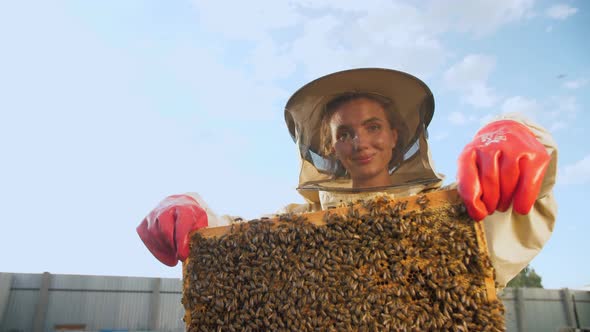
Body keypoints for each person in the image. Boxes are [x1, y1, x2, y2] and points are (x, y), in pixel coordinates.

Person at [137, 68, 556, 288]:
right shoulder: (301, 223)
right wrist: (189, 212)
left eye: (374, 126)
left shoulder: (452, 215)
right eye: (345, 133)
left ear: (396, 135)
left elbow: (526, 202)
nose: (361, 142)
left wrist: (515, 132)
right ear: (331, 148)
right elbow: (232, 244)